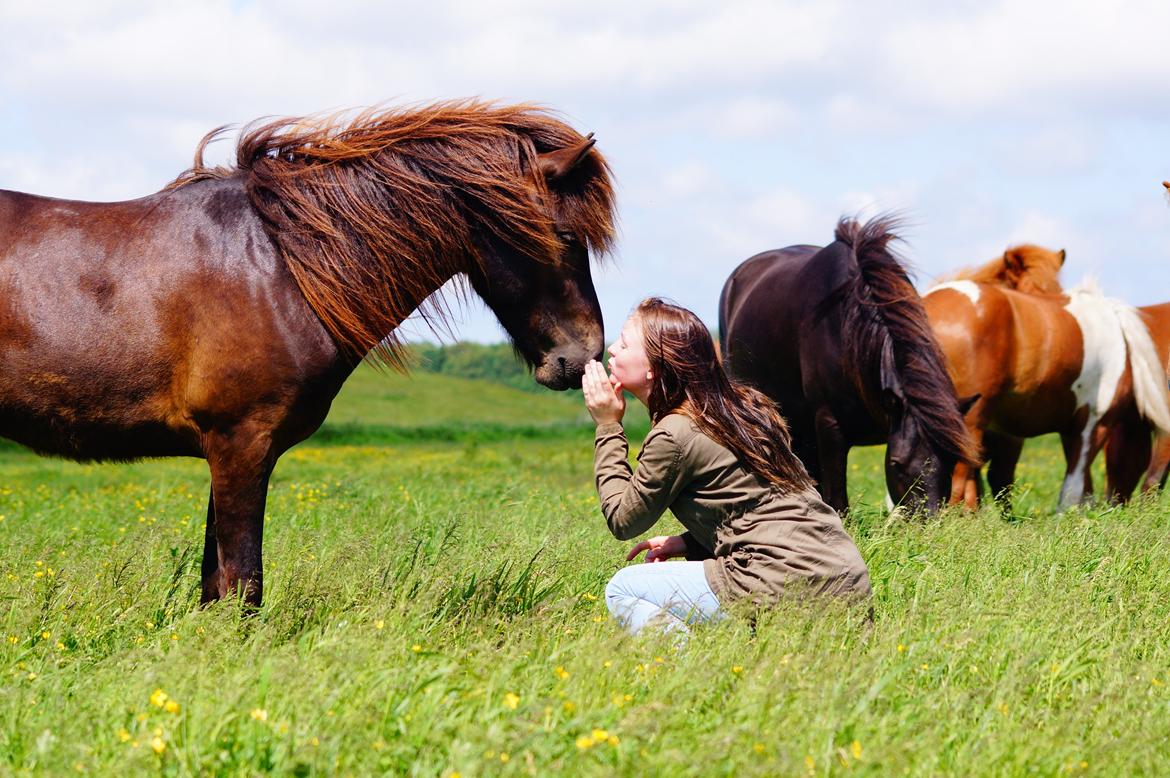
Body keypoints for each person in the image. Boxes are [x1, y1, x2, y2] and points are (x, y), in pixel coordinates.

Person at [582, 298, 871, 636]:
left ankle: (687, 676)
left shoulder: (675, 433)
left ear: (653, 368)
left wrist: (607, 426)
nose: (612, 349)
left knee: (623, 588)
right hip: (847, 580)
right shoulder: (748, 410)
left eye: (625, 342)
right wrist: (689, 544)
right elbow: (766, 507)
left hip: (783, 583)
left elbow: (623, 519)